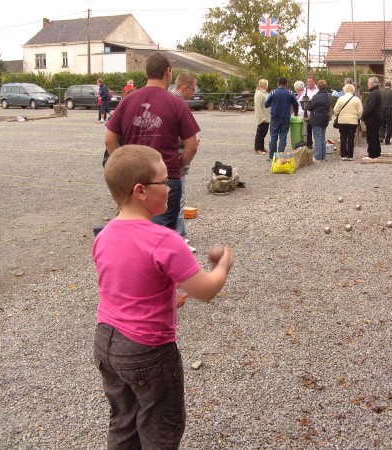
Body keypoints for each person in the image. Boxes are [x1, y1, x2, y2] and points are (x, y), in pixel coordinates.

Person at [93, 144, 234, 449]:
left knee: (123, 419)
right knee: (160, 424)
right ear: (140, 191)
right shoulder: (165, 240)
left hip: (106, 343)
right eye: (164, 181)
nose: (171, 186)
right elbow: (207, 290)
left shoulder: (104, 235)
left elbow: (126, 288)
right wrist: (223, 265)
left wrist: (169, 298)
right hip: (147, 352)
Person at [105, 52, 200, 231]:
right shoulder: (176, 104)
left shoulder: (127, 101)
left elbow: (109, 140)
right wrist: (177, 167)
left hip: (133, 179)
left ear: (147, 72)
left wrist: (122, 165)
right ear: (168, 72)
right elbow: (192, 145)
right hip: (164, 179)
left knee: (136, 234)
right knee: (162, 238)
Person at [172, 72, 199, 253]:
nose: (193, 92)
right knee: (178, 199)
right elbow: (184, 137)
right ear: (184, 87)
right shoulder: (179, 104)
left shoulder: (167, 99)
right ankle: (179, 239)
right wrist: (189, 142)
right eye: (192, 89)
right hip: (176, 159)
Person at [264, 77, 299, 160]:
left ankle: (272, 156)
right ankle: (280, 156)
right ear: (286, 83)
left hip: (274, 118)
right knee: (283, 137)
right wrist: (296, 113)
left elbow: (266, 104)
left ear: (277, 83)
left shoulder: (273, 92)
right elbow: (296, 104)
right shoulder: (290, 93)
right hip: (286, 118)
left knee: (273, 137)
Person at [333, 83, 363, 161]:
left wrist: (339, 115)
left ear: (344, 90)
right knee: (351, 138)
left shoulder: (340, 99)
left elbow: (335, 110)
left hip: (342, 121)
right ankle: (350, 155)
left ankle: (343, 155)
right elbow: (360, 112)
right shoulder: (357, 99)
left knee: (343, 138)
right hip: (353, 121)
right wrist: (357, 117)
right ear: (353, 90)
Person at [307, 79, 331, 162]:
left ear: (318, 87)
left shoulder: (316, 96)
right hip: (324, 118)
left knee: (317, 138)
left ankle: (318, 157)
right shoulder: (327, 96)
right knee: (322, 137)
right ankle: (323, 156)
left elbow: (310, 107)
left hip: (316, 118)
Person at [361, 77, 382, 160]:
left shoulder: (374, 94)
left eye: (368, 83)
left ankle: (372, 154)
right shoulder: (376, 92)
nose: (367, 84)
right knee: (375, 136)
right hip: (375, 118)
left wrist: (363, 116)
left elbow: (370, 107)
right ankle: (377, 152)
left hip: (373, 118)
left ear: (372, 84)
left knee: (372, 136)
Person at [379, 81, 392, 145]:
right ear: (390, 86)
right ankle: (387, 140)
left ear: (385, 85)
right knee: (390, 125)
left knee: (382, 124)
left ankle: (381, 136)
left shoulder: (381, 92)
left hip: (382, 109)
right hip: (390, 109)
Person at [254, 79, 270, 155]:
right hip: (262, 117)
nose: (267, 86)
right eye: (266, 84)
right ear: (263, 85)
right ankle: (257, 148)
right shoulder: (259, 94)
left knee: (263, 133)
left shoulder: (265, 93)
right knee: (260, 133)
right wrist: (261, 117)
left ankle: (262, 147)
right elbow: (257, 107)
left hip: (267, 117)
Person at [304, 75, 318, 148]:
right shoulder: (304, 90)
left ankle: (318, 144)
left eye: (311, 81)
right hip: (307, 114)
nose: (309, 83)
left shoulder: (318, 90)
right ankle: (309, 144)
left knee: (316, 130)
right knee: (308, 130)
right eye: (308, 82)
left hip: (316, 113)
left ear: (314, 81)